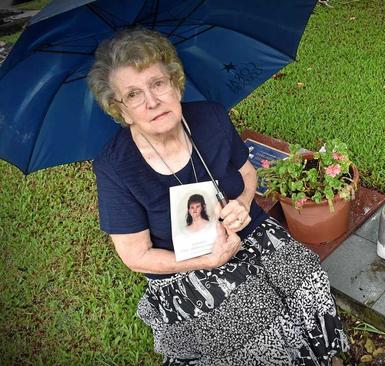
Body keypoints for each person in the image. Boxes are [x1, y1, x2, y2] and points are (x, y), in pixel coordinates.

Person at [88, 28, 348, 365]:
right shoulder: (115, 166)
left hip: (249, 231)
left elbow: (247, 175)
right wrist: (207, 261)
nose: (152, 101)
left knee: (306, 274)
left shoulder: (210, 117)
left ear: (175, 83)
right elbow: (136, 256)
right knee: (252, 320)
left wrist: (242, 203)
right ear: (121, 111)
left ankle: (319, 355)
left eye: (157, 83)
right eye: (134, 94)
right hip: (185, 265)